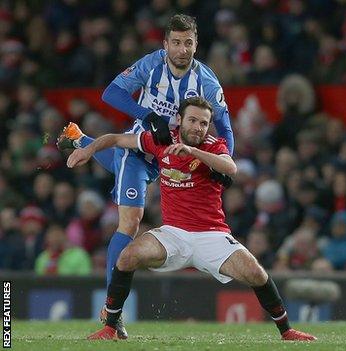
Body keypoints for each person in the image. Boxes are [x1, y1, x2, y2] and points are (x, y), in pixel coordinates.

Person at [67, 97, 315, 342]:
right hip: (174, 233)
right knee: (128, 256)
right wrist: (88, 148)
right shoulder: (161, 141)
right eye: (193, 120)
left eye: (204, 123)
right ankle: (111, 327)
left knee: (256, 273)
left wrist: (193, 151)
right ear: (179, 120)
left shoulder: (213, 145)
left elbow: (231, 168)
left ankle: (287, 331)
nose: (198, 127)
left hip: (212, 234)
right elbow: (116, 139)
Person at [56, 14, 234, 337]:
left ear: (196, 45)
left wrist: (224, 162)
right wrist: (147, 115)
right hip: (139, 148)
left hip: (172, 158)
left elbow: (226, 128)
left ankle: (79, 138)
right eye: (176, 43)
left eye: (188, 43)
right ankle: (115, 314)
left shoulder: (207, 81)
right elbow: (111, 93)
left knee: (128, 184)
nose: (182, 49)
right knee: (131, 221)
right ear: (165, 43)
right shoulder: (151, 65)